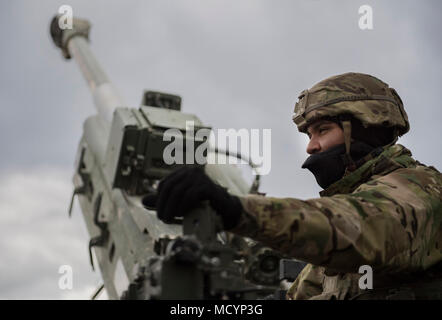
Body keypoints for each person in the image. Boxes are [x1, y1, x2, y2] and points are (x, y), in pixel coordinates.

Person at [143, 72, 442, 300]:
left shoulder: (421, 190)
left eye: (322, 131)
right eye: (308, 135)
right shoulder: (327, 261)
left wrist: (236, 210)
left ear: (366, 128)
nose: (312, 147)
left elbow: (360, 226)